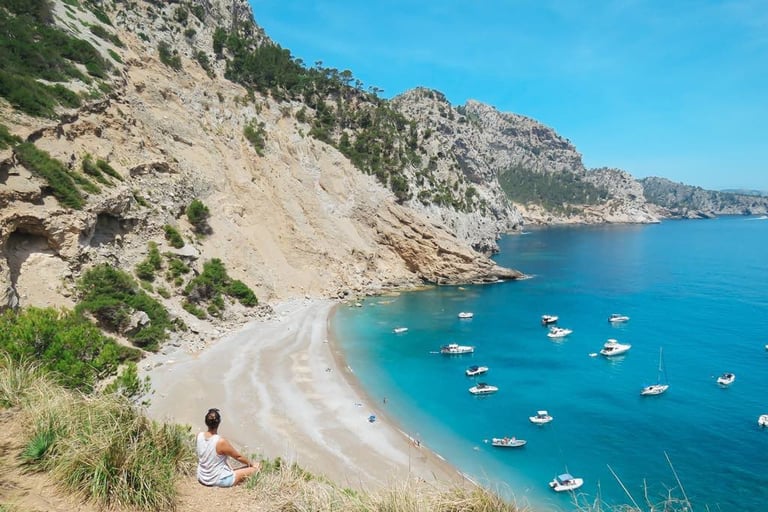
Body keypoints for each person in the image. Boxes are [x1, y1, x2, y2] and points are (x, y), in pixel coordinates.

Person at [196, 408, 260, 487]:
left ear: (206, 422)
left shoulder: (199, 436)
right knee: (257, 468)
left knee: (242, 468)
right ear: (219, 422)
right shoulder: (220, 442)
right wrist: (252, 464)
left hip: (201, 477)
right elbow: (238, 457)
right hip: (217, 480)